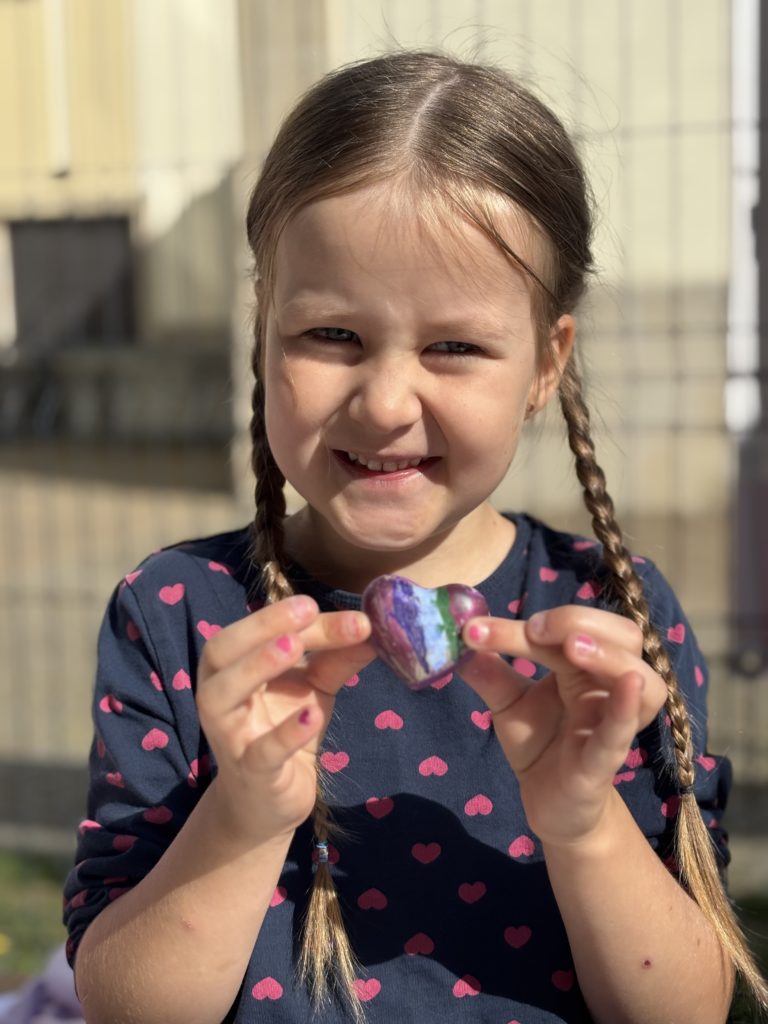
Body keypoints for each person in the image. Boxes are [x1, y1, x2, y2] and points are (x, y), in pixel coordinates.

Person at [63, 50, 767, 1024]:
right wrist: (244, 813)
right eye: (333, 336)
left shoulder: (611, 623)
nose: (386, 402)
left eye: (454, 347)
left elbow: (686, 1009)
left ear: (545, 364)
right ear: (265, 326)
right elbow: (126, 1004)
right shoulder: (181, 614)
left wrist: (584, 821)